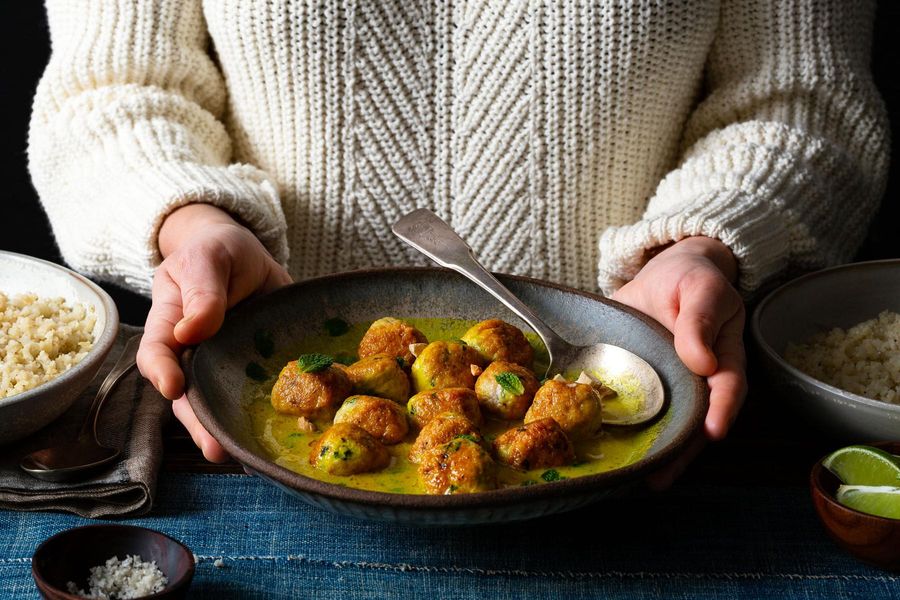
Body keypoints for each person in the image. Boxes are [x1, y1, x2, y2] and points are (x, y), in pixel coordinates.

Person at [28, 1, 889, 485]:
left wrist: (704, 243)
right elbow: (111, 90)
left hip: (656, 431)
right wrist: (190, 221)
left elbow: (803, 99)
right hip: (241, 442)